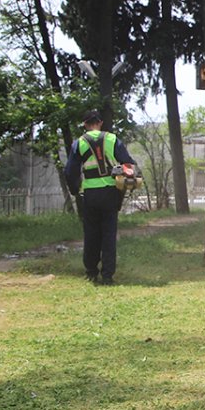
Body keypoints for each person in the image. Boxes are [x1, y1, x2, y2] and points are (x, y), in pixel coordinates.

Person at [65, 110, 137, 285]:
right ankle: (107, 275)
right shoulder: (112, 139)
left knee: (91, 234)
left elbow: (70, 171)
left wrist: (75, 190)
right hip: (111, 192)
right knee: (109, 235)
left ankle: (91, 272)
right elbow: (128, 164)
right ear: (101, 122)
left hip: (90, 193)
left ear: (85, 124)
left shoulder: (79, 143)